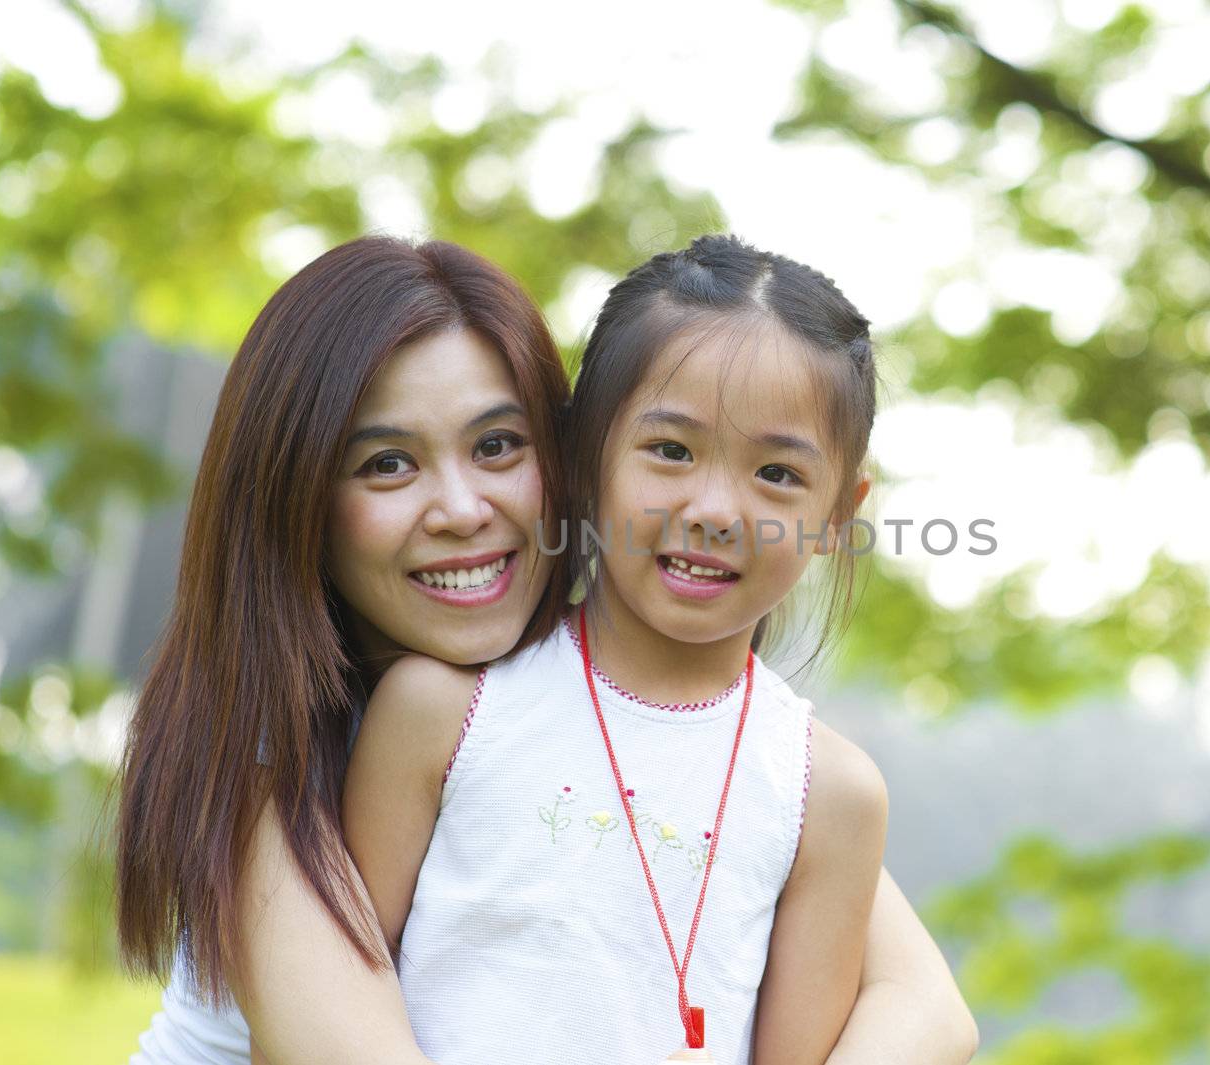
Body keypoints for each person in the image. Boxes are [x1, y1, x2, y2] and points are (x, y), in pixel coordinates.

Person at [116, 236, 979, 1064]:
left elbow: (924, 1000)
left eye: (496, 445)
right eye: (386, 463)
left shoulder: (799, 777)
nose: (461, 508)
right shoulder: (291, 753)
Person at [343, 235, 889, 1065]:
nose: (715, 508)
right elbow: (329, 1013)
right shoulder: (443, 711)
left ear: (837, 515)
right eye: (671, 450)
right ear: (584, 455)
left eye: (777, 473)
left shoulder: (830, 794)